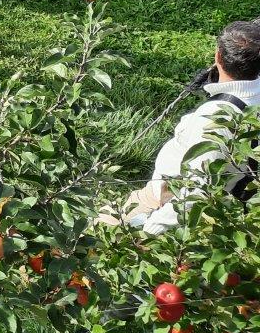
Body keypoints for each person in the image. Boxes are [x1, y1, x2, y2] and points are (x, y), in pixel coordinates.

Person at [101, 21, 260, 234]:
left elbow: (196, 195)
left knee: (89, 233)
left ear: (218, 57)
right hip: (240, 197)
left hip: (176, 208)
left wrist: (148, 233)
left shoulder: (216, 118)